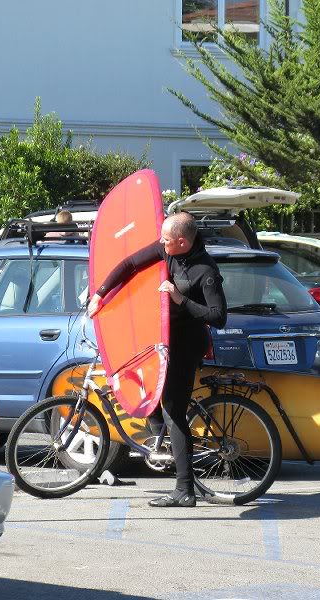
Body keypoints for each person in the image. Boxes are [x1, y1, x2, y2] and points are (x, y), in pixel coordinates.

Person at [87, 212, 227, 508]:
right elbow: (129, 264)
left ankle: (184, 489)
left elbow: (219, 317)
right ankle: (163, 442)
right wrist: (100, 294)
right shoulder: (167, 248)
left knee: (174, 411)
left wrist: (180, 299)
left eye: (166, 239)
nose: (161, 243)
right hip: (163, 340)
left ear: (181, 241)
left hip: (187, 344)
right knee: (152, 398)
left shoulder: (206, 271)